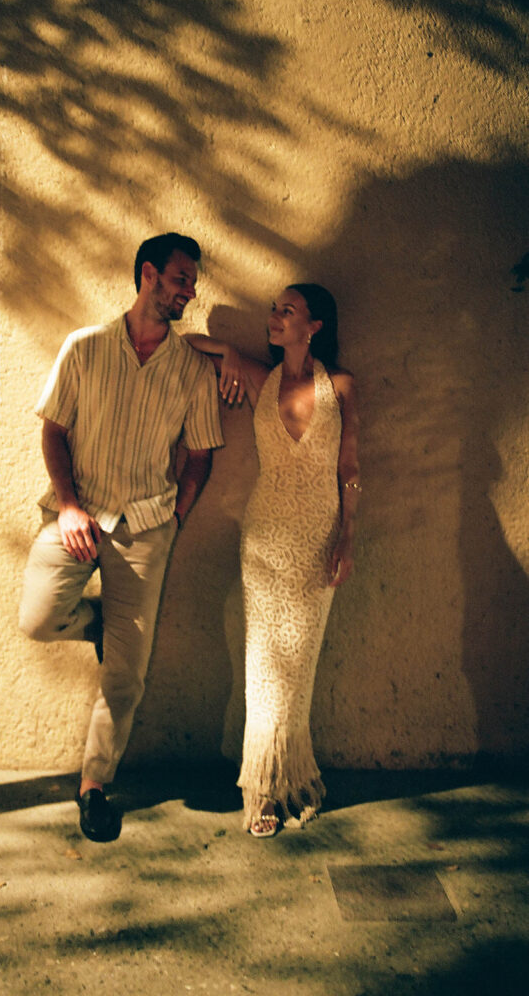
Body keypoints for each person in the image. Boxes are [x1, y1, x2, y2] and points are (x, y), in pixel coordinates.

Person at [19, 232, 224, 843]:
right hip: (76, 517)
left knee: (126, 676)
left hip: (146, 529)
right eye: (181, 277)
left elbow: (200, 454)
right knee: (36, 619)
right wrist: (71, 508)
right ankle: (97, 623)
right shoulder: (83, 348)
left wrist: (177, 517)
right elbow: (54, 431)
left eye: (193, 281)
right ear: (148, 274)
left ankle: (94, 786)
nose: (189, 290)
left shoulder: (192, 368)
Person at [186, 284, 359, 837]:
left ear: (315, 327)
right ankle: (260, 791)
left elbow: (350, 466)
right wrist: (232, 355)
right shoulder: (261, 379)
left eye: (288, 311)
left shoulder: (342, 387)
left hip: (318, 534)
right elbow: (191, 341)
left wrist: (348, 533)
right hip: (264, 537)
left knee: (297, 672)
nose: (274, 317)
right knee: (263, 668)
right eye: (274, 309)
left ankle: (294, 777)